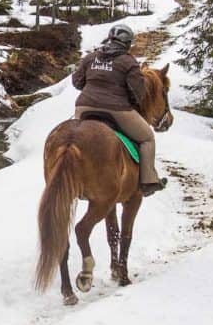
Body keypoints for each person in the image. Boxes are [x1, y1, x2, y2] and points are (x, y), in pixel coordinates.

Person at [71, 23, 167, 196]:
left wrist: (94, 86)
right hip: (116, 109)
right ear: (127, 43)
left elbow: (77, 82)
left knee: (72, 137)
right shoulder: (128, 62)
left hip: (84, 107)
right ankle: (148, 181)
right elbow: (138, 93)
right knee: (147, 138)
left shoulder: (91, 57)